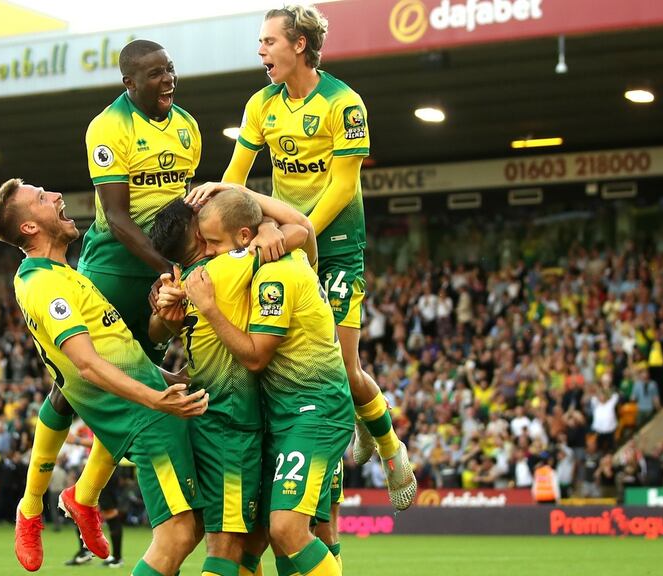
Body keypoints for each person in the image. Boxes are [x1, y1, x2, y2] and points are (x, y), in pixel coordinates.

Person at [193, 3, 415, 512]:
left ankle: (389, 447)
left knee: (341, 362)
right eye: (259, 42)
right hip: (285, 239)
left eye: (269, 41)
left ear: (298, 44)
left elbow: (343, 184)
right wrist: (217, 192)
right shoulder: (261, 104)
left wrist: (297, 229)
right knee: (302, 363)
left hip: (335, 244)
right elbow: (238, 177)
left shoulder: (345, 103)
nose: (261, 50)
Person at [0, 178, 208, 576]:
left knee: (192, 532)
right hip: (148, 422)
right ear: (28, 227)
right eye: (41, 198)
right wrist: (155, 398)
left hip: (155, 412)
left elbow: (117, 356)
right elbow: (86, 364)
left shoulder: (69, 276)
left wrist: (169, 380)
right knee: (178, 536)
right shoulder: (43, 285)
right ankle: (38, 506)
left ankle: (71, 499)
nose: (55, 195)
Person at [66, 37, 204, 559]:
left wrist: (187, 256)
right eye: (155, 73)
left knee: (141, 377)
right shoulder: (108, 127)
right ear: (129, 83)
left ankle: (83, 494)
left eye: (170, 69)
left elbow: (180, 210)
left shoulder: (188, 127)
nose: (168, 78)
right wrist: (172, 267)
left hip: (162, 259)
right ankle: (33, 505)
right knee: (75, 377)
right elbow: (120, 220)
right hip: (116, 261)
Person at [179, 189, 350, 576]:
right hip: (282, 416)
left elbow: (255, 357)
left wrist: (206, 307)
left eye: (213, 243)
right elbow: (303, 229)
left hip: (313, 411)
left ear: (244, 238)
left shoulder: (275, 272)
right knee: (267, 537)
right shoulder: (262, 264)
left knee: (288, 530)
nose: (206, 252)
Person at [147, 190, 315, 576]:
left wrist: (159, 309)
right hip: (230, 425)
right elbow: (301, 230)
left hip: (219, 420)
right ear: (198, 237)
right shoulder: (223, 270)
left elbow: (157, 330)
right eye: (203, 220)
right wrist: (263, 223)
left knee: (247, 540)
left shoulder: (185, 281)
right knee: (227, 545)